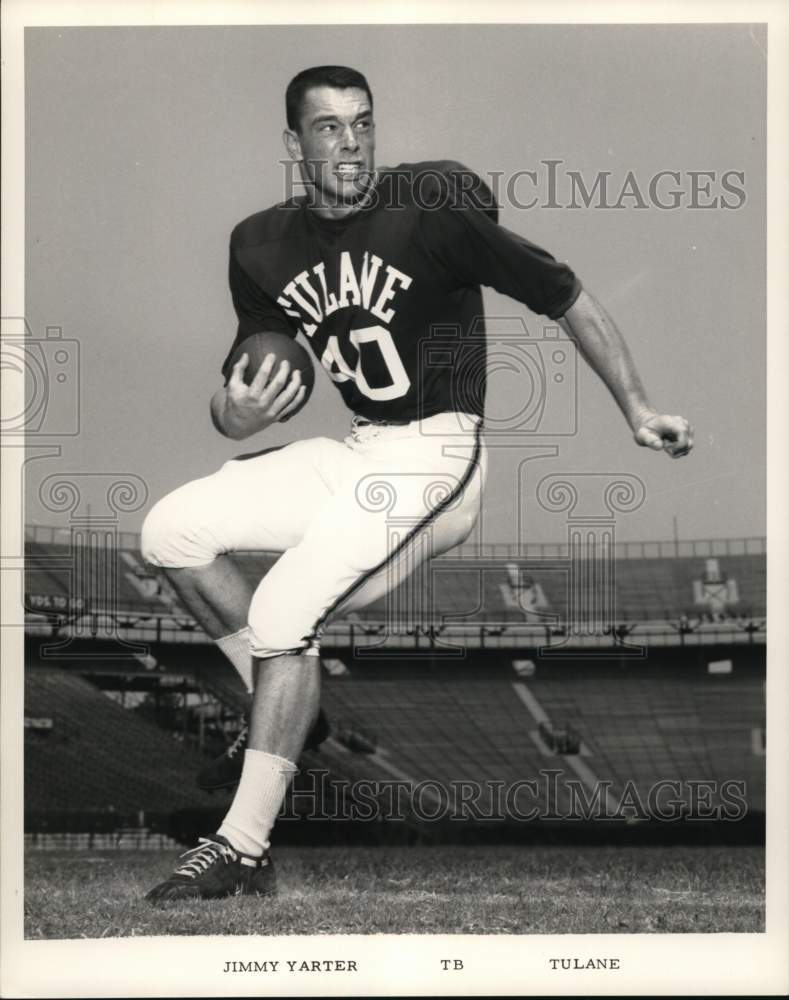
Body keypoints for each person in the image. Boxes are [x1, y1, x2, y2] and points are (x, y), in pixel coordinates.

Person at [141, 65, 693, 902]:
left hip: (437, 453)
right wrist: (237, 414)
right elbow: (238, 397)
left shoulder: (429, 211)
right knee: (169, 531)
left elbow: (565, 295)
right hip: (359, 450)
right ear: (293, 144)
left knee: (285, 611)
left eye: (362, 123)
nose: (351, 142)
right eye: (328, 127)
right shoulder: (258, 243)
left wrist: (638, 407)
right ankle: (290, 702)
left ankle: (243, 845)